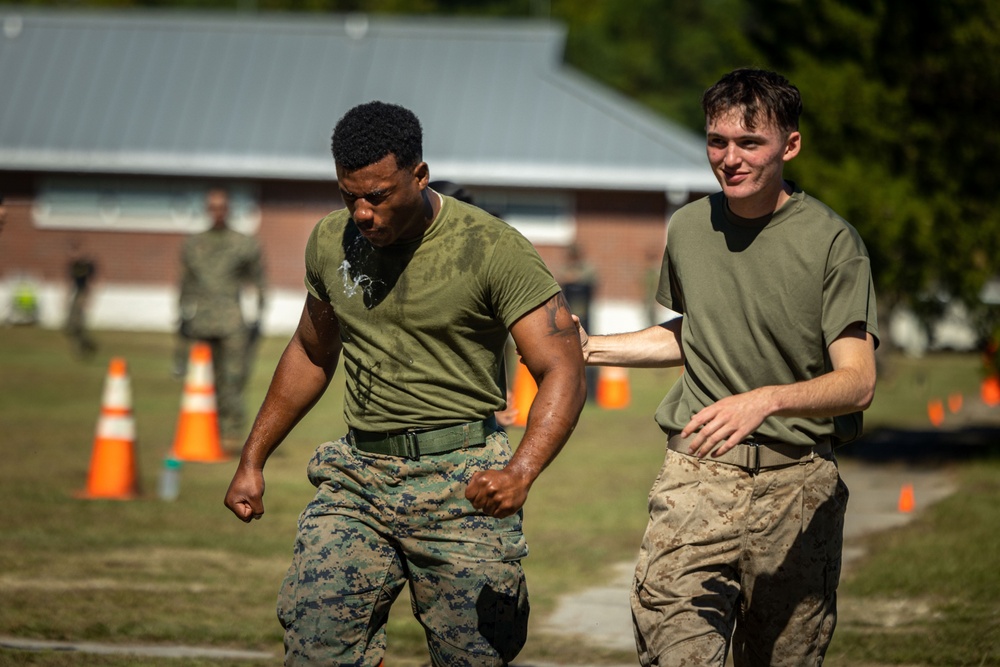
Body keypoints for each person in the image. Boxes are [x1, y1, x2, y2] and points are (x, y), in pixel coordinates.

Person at [224, 101, 586, 666]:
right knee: (317, 646)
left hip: (462, 482)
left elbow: (561, 366)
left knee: (476, 656)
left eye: (379, 196)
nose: (362, 213)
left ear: (419, 175)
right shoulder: (330, 242)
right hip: (358, 477)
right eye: (349, 196)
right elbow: (311, 352)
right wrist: (253, 458)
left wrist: (521, 470)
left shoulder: (491, 248)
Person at [575, 68, 878, 666]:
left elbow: (858, 380)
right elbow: (697, 334)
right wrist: (590, 348)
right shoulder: (688, 227)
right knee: (672, 647)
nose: (729, 159)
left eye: (749, 143)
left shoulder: (832, 242)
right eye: (718, 141)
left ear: (789, 145)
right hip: (697, 477)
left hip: (797, 487)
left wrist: (766, 399)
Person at [178, 188, 267, 447]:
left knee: (234, 378)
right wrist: (181, 314)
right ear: (207, 209)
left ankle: (231, 432)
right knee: (202, 380)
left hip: (232, 322)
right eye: (212, 207)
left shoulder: (244, 243)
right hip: (201, 323)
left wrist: (258, 315)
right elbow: (186, 282)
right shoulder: (194, 244)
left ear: (228, 210)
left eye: (221, 207)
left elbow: (259, 281)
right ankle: (205, 431)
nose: (217, 212)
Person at [65, 240, 98, 357]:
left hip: (84, 293)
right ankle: (87, 345)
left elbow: (92, 282)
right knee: (70, 325)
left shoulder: (87, 265)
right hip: (75, 293)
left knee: (78, 323)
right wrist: (65, 298)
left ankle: (81, 349)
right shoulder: (72, 264)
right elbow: (69, 283)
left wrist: (89, 299)